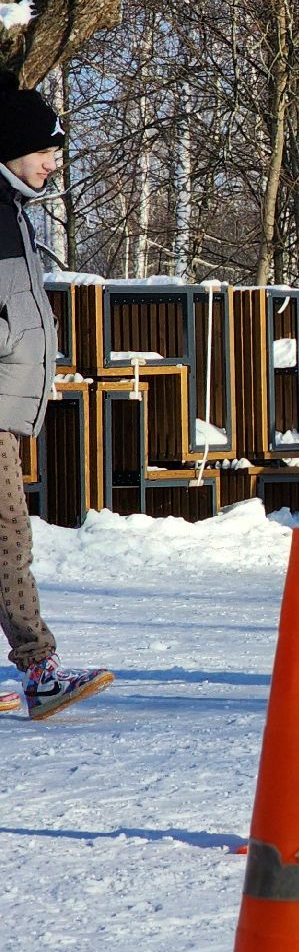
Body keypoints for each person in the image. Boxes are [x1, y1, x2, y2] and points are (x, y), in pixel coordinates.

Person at [0, 71, 112, 719]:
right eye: (46, 150)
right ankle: (40, 671)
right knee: (8, 535)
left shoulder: (10, 213)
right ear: (11, 147)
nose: (53, 163)